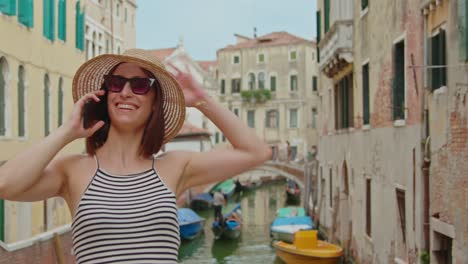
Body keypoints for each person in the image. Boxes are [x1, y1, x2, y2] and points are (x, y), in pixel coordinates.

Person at [0, 49, 271, 263]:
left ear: (155, 101)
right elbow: (5, 184)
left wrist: (202, 99)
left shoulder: (176, 166)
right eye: (116, 83)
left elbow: (257, 152)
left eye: (140, 84)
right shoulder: (72, 170)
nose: (126, 92)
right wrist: (66, 132)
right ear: (106, 95)